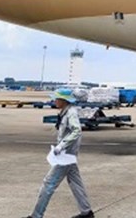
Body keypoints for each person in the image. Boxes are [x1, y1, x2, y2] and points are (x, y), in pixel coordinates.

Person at [24, 88, 94, 218]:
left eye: (57, 98)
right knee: (75, 183)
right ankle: (86, 212)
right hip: (69, 156)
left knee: (48, 184)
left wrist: (61, 146)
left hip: (65, 156)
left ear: (64, 100)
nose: (54, 101)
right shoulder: (65, 112)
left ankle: (36, 215)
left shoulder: (71, 113)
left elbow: (76, 131)